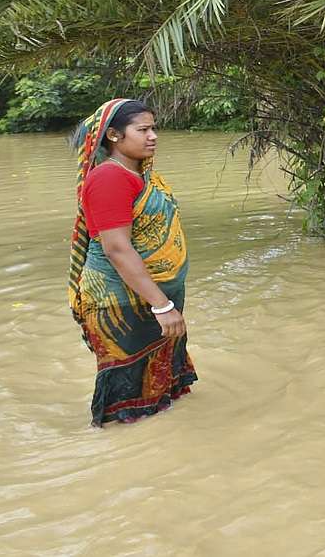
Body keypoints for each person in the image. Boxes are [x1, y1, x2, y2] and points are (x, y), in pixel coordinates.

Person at [69, 98, 198, 426]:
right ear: (113, 135)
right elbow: (117, 249)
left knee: (160, 404)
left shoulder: (140, 173)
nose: (152, 135)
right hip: (125, 305)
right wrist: (161, 306)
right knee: (127, 411)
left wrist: (165, 301)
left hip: (153, 299)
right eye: (142, 129)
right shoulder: (110, 178)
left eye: (153, 128)